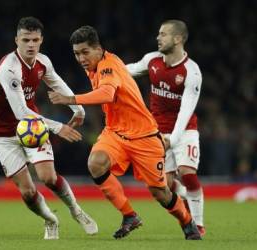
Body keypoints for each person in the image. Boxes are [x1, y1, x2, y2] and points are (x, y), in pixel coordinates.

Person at [48, 25, 201, 240]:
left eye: (85, 52)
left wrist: (71, 99)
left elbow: (108, 93)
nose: (81, 58)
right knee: (95, 163)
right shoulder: (92, 65)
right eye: (76, 54)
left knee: (160, 193)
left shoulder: (108, 66)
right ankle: (130, 215)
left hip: (144, 137)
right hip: (115, 133)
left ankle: (187, 221)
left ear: (98, 49)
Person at [0, 16, 98, 240]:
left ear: (41, 40)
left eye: (35, 40)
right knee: (28, 192)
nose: (30, 45)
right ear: (16, 40)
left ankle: (76, 210)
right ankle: (50, 220)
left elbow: (58, 84)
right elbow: (21, 113)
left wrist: (79, 110)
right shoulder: (9, 69)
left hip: (33, 129)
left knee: (48, 177)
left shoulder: (42, 62)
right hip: (3, 134)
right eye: (25, 39)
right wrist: (58, 128)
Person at [126, 19, 205, 236]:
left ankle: (198, 225)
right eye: (158, 34)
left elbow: (186, 111)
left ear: (178, 39)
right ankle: (187, 197)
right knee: (166, 186)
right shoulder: (151, 60)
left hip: (184, 130)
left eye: (163, 34)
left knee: (187, 173)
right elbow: (127, 71)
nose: (158, 37)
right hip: (157, 131)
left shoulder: (192, 72)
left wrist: (173, 139)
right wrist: (104, 68)